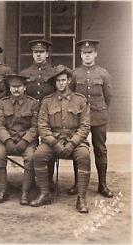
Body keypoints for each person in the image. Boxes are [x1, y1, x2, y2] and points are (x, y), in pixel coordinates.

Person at [30, 65, 91, 213]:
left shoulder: (80, 100)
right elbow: (42, 127)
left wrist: (72, 143)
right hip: (53, 140)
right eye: (58, 81)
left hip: (75, 141)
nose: (61, 83)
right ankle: (44, 193)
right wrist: (54, 143)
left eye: (64, 80)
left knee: (84, 156)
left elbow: (85, 126)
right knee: (38, 155)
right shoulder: (47, 101)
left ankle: (81, 198)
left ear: (69, 80)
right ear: (54, 83)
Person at [69, 39, 113, 198]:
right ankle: (76, 183)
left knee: (100, 150)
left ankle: (102, 184)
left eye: (90, 53)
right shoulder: (75, 74)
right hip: (79, 118)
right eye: (84, 53)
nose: (87, 56)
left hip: (98, 117)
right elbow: (72, 95)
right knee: (78, 148)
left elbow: (108, 97)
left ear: (95, 54)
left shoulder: (103, 73)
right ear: (80, 55)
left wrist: (101, 111)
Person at [0, 74, 39, 205]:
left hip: (27, 141)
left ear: (24, 88)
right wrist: (7, 140)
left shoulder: (33, 103)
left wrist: (25, 141)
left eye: (19, 87)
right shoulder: (3, 103)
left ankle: (25, 192)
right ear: (10, 88)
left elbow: (35, 126)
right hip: (7, 140)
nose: (16, 90)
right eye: (13, 87)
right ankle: (3, 191)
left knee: (30, 157)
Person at [20, 39, 57, 188]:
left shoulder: (53, 73)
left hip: (49, 116)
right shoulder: (25, 73)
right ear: (32, 54)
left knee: (49, 147)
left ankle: (48, 179)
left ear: (47, 54)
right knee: (32, 146)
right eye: (36, 52)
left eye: (41, 52)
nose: (39, 55)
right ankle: (33, 179)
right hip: (31, 116)